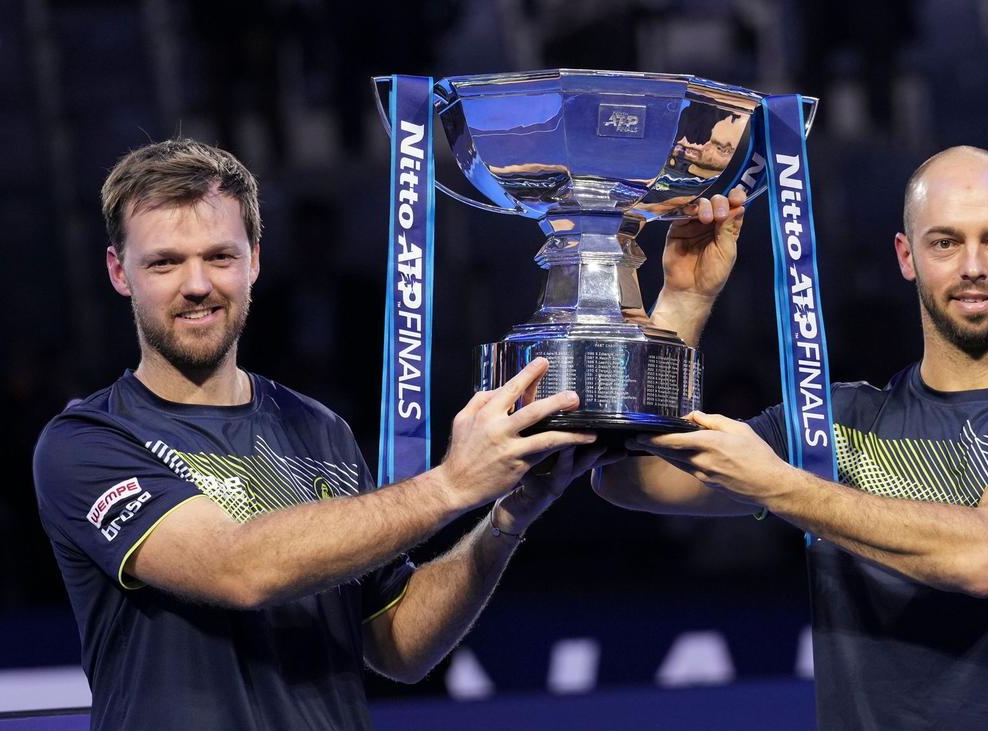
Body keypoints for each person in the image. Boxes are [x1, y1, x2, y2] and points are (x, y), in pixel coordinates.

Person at [32, 138, 605, 730]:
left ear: (254, 260)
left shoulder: (319, 428)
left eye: (220, 257)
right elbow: (239, 569)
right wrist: (451, 485)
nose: (197, 284)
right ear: (118, 271)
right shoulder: (87, 443)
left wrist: (508, 516)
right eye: (165, 262)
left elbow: (399, 646)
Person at [595, 146, 988, 729]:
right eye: (945, 242)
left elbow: (985, 556)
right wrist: (686, 298)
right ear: (907, 257)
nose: (974, 267)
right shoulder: (829, 419)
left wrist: (780, 486)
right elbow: (634, 478)